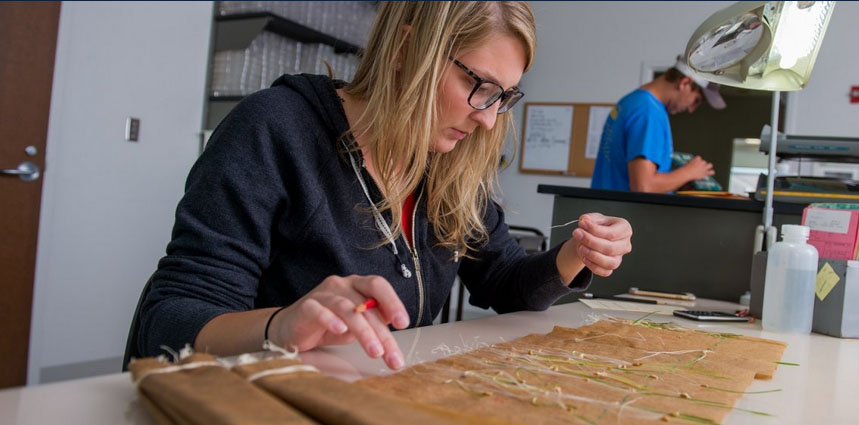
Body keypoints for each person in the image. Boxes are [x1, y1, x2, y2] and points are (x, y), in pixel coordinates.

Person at [134, 1, 633, 371]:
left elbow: (504, 283)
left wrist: (578, 254)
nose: (487, 120)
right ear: (403, 49)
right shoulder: (275, 129)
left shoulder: (449, 162)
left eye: (502, 97)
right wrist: (279, 326)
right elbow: (172, 316)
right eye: (477, 86)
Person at [591, 55, 726, 193]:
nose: (691, 109)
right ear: (684, 83)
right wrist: (689, 172)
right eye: (696, 100)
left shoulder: (631, 101)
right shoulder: (648, 112)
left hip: (607, 208)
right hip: (623, 212)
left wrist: (678, 181)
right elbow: (643, 187)